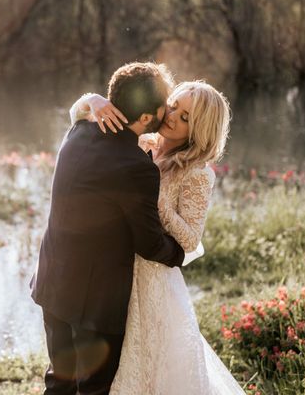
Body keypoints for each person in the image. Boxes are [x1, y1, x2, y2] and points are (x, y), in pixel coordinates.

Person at [70, 78, 245, 394]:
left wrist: (160, 202)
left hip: (151, 280)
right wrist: (91, 99)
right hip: (110, 270)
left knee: (148, 371)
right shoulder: (141, 140)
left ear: (199, 130)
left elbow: (190, 239)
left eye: (186, 118)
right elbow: (80, 129)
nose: (173, 117)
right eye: (174, 105)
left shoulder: (197, 173)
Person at [30, 62, 186, 395]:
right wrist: (180, 253)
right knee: (94, 389)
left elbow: (80, 110)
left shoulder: (79, 131)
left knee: (59, 383)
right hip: (95, 304)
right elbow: (149, 243)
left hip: (53, 282)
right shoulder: (137, 167)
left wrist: (91, 100)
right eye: (164, 107)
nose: (168, 113)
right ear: (146, 119)